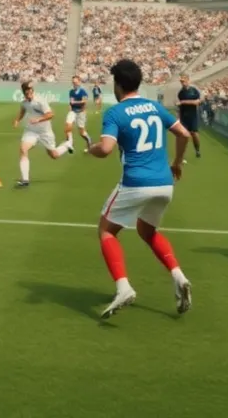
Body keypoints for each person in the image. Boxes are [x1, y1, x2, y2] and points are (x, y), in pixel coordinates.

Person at [89, 58, 193, 318]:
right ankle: (178, 276)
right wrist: (177, 162)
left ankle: (123, 287)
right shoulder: (154, 106)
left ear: (118, 85)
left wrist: (91, 149)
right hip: (164, 184)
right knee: (147, 231)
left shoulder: (115, 112)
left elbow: (105, 149)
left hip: (136, 183)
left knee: (106, 232)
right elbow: (184, 134)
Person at [13, 81, 73, 188]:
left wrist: (39, 119)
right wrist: (17, 120)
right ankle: (25, 180)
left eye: (31, 90)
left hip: (45, 133)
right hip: (31, 131)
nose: (30, 92)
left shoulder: (40, 101)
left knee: (54, 155)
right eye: (28, 90)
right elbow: (22, 111)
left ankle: (67, 144)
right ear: (24, 92)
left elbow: (51, 114)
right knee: (23, 149)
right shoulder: (24, 102)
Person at [176, 73, 203, 158]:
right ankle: (182, 155)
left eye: (184, 81)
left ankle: (197, 150)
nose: (182, 83)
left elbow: (197, 102)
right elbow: (180, 107)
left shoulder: (194, 90)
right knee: (184, 135)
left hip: (193, 115)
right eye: (181, 81)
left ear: (188, 80)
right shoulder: (180, 93)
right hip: (184, 116)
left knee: (194, 134)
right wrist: (179, 117)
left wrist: (183, 102)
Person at [66, 75, 93, 151]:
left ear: (79, 82)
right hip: (73, 111)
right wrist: (70, 105)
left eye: (76, 82)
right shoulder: (71, 91)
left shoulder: (82, 91)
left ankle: (89, 140)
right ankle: (70, 142)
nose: (74, 83)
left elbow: (84, 101)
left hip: (81, 112)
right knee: (68, 125)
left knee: (82, 132)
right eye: (73, 82)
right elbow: (71, 101)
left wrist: (75, 102)